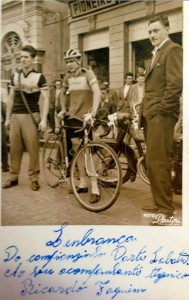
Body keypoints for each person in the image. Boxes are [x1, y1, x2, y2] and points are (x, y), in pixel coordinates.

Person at [140, 15, 183, 222]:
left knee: (158, 162)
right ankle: (159, 203)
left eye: (155, 31)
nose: (152, 35)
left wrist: (161, 110)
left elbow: (175, 84)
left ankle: (166, 209)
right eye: (149, 32)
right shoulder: (158, 52)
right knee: (152, 161)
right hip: (151, 115)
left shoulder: (173, 49)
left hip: (161, 116)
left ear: (167, 29)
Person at [3, 45, 49, 191]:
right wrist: (8, 118)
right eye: (21, 57)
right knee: (15, 148)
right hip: (16, 115)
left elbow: (46, 99)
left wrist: (43, 119)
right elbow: (10, 98)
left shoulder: (39, 77)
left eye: (26, 57)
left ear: (33, 59)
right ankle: (13, 176)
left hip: (31, 115)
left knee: (33, 148)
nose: (23, 59)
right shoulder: (15, 76)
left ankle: (34, 178)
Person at [58, 48, 101, 203]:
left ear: (78, 61)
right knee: (76, 152)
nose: (69, 64)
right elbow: (62, 93)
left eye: (72, 61)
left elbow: (97, 92)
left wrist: (93, 112)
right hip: (72, 118)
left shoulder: (88, 73)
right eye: (67, 62)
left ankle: (95, 188)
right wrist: (63, 108)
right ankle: (82, 182)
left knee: (88, 153)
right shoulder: (67, 77)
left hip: (86, 119)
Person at [1, 87, 9, 172]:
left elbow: (4, 107)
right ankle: (5, 165)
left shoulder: (2, 91)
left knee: (3, 144)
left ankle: (5, 165)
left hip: (1, 121)